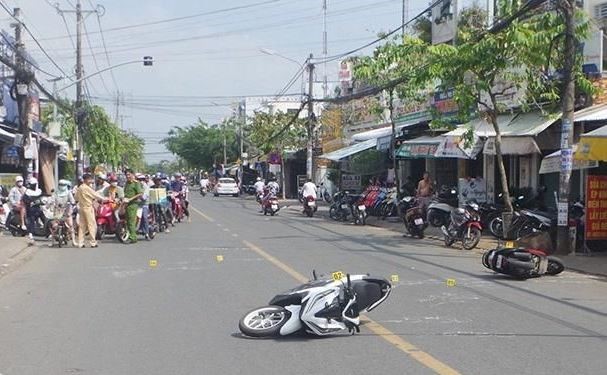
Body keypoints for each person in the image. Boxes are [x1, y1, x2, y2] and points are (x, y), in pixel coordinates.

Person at [74, 174, 107, 248]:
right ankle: (93, 242)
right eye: (90, 179)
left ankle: (80, 243)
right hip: (88, 208)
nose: (91, 181)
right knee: (91, 225)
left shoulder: (79, 188)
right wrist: (105, 199)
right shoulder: (86, 188)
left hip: (81, 208)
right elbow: (95, 195)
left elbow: (75, 198)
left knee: (82, 226)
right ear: (85, 180)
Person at [50, 179, 76, 246]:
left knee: (70, 225)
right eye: (60, 185)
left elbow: (72, 200)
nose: (62, 186)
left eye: (63, 185)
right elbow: (52, 199)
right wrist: (51, 203)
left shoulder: (68, 193)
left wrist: (72, 203)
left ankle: (73, 241)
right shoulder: (56, 192)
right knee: (54, 226)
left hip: (67, 211)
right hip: (57, 211)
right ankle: (52, 242)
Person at [21, 177, 44, 243]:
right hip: (31, 209)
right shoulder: (28, 192)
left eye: (34, 184)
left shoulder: (39, 191)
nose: (33, 185)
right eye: (32, 184)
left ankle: (49, 231)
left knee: (45, 218)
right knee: (31, 220)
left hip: (39, 208)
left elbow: (42, 197)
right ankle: (30, 233)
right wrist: (30, 202)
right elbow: (25, 199)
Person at [123, 170, 143, 244]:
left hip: (133, 204)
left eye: (129, 174)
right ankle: (130, 235)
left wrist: (130, 199)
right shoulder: (127, 183)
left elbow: (140, 193)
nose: (127, 176)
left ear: (132, 174)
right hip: (126, 204)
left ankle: (133, 237)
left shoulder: (136, 183)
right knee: (127, 221)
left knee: (131, 221)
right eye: (126, 175)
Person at [137, 173, 151, 239]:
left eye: (142, 180)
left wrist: (137, 196)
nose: (141, 181)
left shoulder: (146, 187)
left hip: (144, 205)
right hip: (136, 204)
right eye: (139, 180)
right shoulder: (136, 186)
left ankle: (147, 233)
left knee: (144, 217)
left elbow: (144, 197)